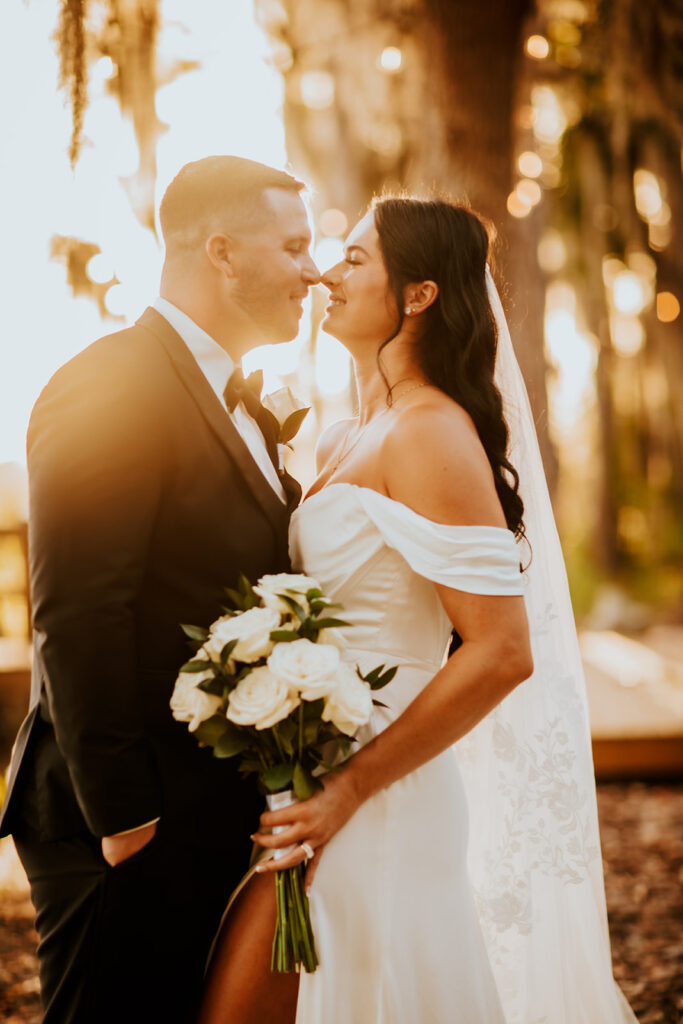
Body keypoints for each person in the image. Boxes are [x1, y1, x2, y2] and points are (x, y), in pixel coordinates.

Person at [199, 197, 638, 1023]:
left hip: (378, 786)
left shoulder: (429, 432)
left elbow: (501, 649)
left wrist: (349, 789)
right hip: (312, 766)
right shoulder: (344, 436)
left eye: (356, 260)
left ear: (419, 294)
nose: (329, 274)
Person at [0, 155, 319, 1023]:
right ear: (220, 252)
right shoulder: (110, 382)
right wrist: (128, 818)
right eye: (293, 246)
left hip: (214, 807)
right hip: (129, 819)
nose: (312, 269)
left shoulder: (238, 400)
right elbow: (76, 609)